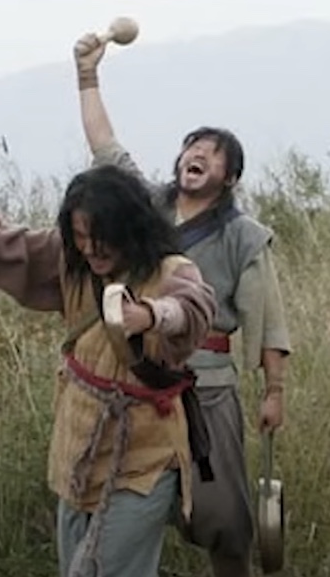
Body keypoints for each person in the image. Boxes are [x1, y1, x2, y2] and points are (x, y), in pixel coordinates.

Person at [0, 155, 216, 577]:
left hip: (143, 459)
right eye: (81, 236)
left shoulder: (171, 271)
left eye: (100, 237)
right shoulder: (72, 260)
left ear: (129, 228)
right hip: (79, 452)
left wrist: (150, 315)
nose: (90, 248)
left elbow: (194, 307)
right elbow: (5, 244)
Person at [74, 32, 291, 577]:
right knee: (115, 492)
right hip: (134, 374)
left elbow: (268, 318)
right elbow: (106, 148)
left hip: (207, 384)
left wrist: (274, 391)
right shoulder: (145, 206)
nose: (197, 154)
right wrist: (87, 76)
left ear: (229, 177)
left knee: (223, 515)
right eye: (193, 146)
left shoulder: (244, 236)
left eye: (213, 153)